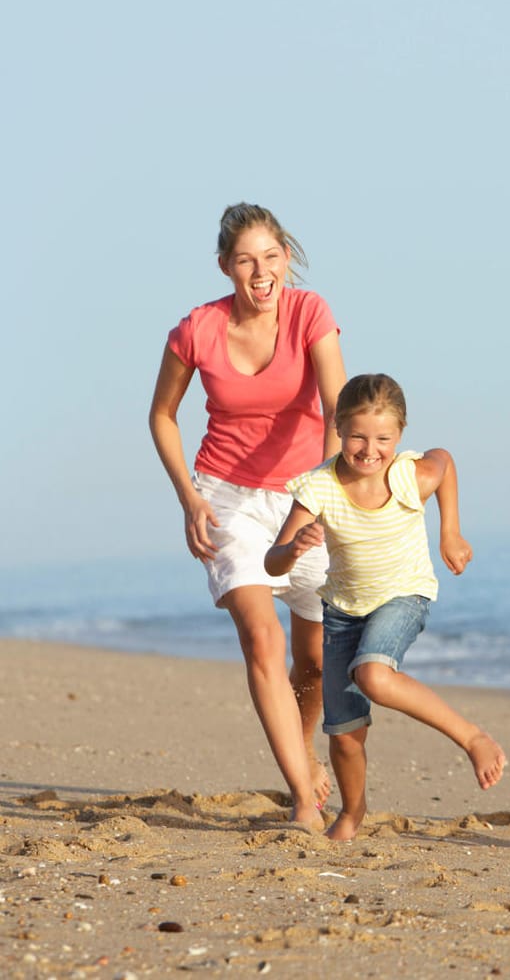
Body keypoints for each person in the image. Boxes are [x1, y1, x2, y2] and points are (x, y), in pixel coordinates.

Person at [149, 202, 345, 828]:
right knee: (262, 635)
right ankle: (300, 797)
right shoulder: (197, 330)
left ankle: (303, 748)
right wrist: (189, 497)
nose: (260, 272)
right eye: (245, 260)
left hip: (305, 496)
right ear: (225, 267)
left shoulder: (310, 312)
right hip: (227, 497)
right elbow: (162, 415)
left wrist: (315, 503)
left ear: (286, 257)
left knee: (314, 660)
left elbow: (337, 412)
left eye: (270, 257)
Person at [265, 373, 507, 841]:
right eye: (357, 435)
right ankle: (352, 814)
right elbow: (272, 562)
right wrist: (295, 547)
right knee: (344, 734)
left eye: (383, 438)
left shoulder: (407, 475)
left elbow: (446, 462)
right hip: (343, 612)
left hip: (404, 595)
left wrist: (449, 532)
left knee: (374, 675)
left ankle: (472, 737)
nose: (369, 449)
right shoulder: (318, 487)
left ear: (400, 435)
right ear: (337, 428)